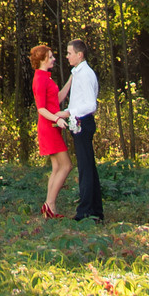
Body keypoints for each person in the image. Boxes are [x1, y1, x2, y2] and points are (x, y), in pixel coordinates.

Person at [30, 43, 70, 217]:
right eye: (51, 57)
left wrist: (71, 80)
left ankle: (50, 208)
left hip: (53, 125)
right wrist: (57, 119)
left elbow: (57, 99)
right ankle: (49, 204)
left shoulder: (47, 77)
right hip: (49, 127)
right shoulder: (39, 79)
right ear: (43, 59)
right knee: (66, 165)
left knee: (56, 167)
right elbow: (41, 108)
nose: (54, 59)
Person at [64, 38, 102, 222]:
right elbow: (78, 102)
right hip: (78, 122)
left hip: (83, 123)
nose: (67, 56)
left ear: (80, 55)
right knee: (87, 167)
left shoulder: (85, 74)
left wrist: (69, 113)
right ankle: (94, 210)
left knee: (85, 169)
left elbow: (90, 105)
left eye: (69, 53)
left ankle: (85, 211)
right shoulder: (78, 73)